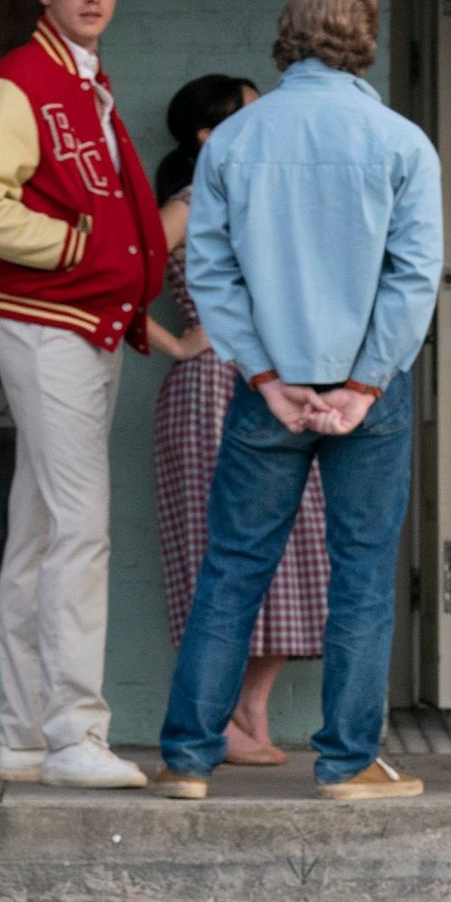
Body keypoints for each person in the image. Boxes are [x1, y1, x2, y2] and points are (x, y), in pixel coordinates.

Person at [152, 0, 443, 802]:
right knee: (362, 573)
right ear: (366, 35)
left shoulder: (236, 141)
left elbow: (210, 270)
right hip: (369, 394)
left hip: (266, 390)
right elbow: (414, 277)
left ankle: (187, 758)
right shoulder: (401, 142)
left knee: (233, 567)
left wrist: (269, 376)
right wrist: (360, 384)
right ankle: (349, 764)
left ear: (287, 31)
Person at [0, 0, 168, 790]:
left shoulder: (83, 83)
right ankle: (76, 730)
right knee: (80, 529)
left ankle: (25, 737)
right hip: (49, 321)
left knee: (41, 535)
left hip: (85, 322)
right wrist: (75, 245)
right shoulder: (18, 83)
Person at [149, 73, 329, 768]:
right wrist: (178, 340)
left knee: (302, 544)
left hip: (284, 383)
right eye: (251, 117)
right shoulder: (189, 205)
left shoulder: (270, 201)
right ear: (207, 135)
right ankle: (218, 715)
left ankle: (251, 711)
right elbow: (114, 280)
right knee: (216, 546)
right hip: (211, 390)